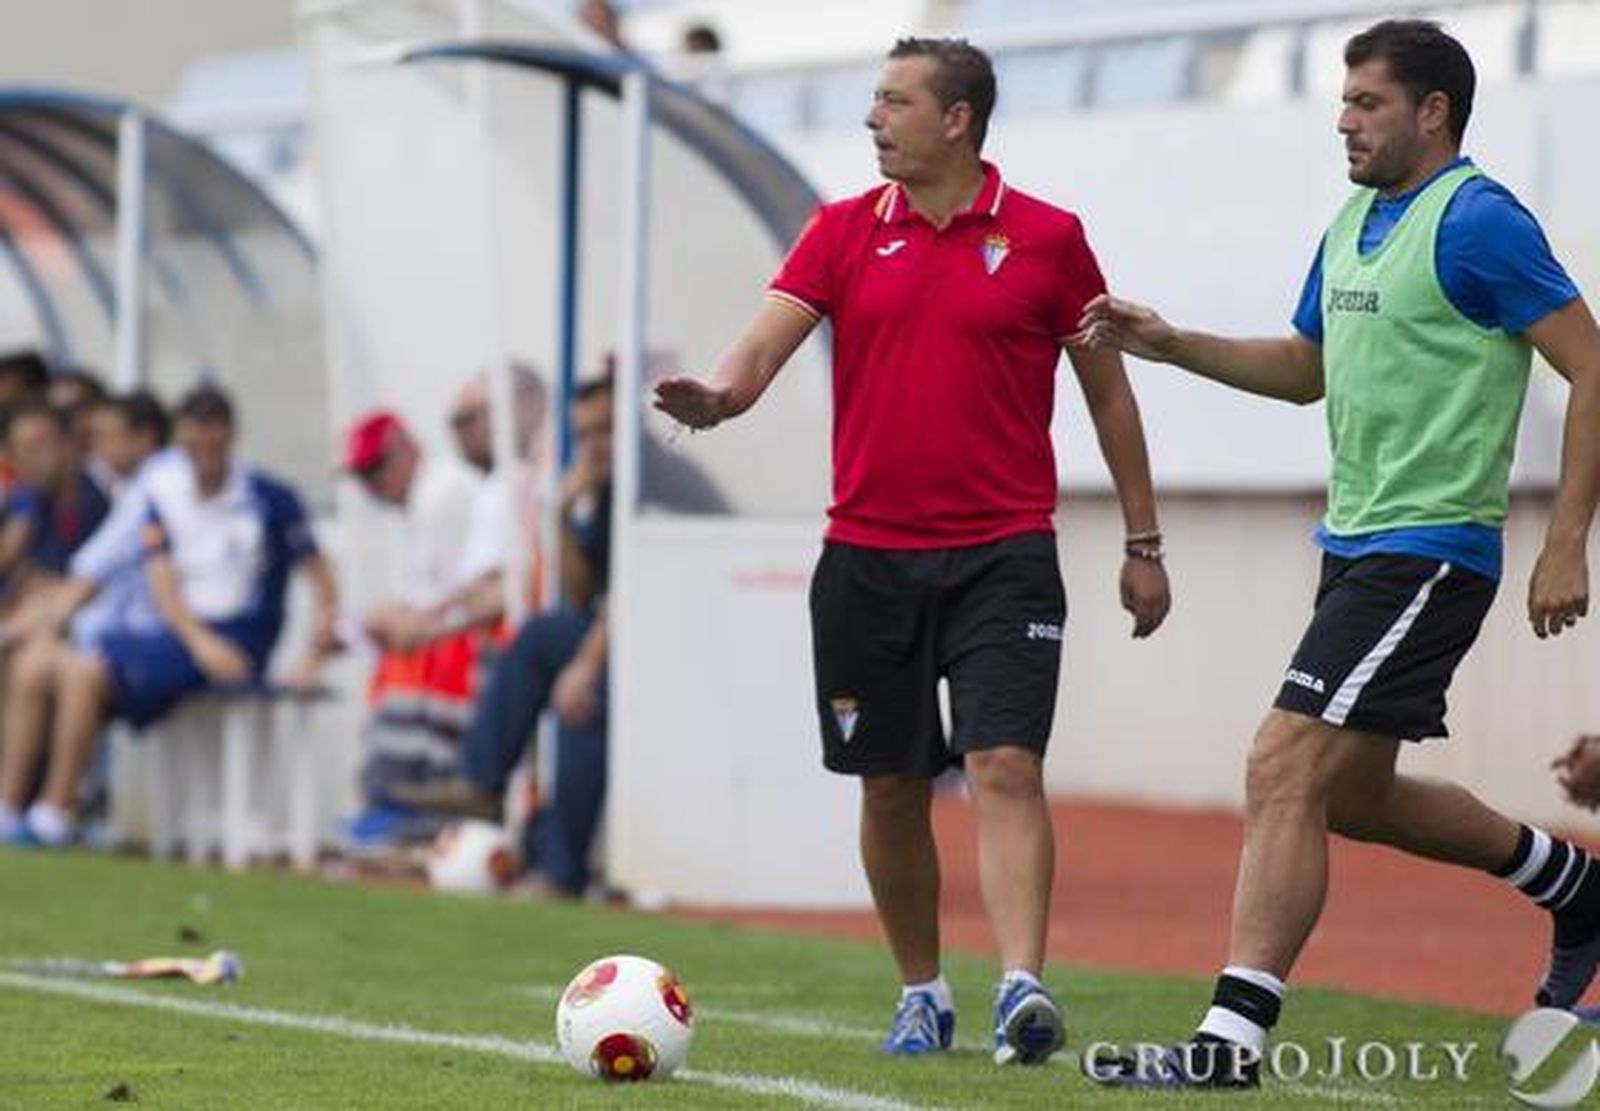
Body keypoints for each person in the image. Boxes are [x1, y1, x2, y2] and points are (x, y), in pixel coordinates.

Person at [1073, 19, 1600, 1090]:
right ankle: (1574, 888)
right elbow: (1305, 366)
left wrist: (1562, 541)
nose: (1344, 120)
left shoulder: (1480, 221)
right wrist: (1170, 343)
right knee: (1351, 795)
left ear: (1431, 111)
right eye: (1344, 101)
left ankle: (1227, 1043)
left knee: (1279, 764)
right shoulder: (1354, 218)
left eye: (1365, 102)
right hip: (1353, 546)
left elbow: (1592, 370)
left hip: (1431, 549)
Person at [654, 37, 1170, 1065]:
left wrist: (1143, 541)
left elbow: (1108, 393)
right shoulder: (840, 233)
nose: (872, 119)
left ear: (957, 119)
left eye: (893, 102)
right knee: (888, 783)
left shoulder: (1049, 238)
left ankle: (1022, 987)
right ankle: (922, 991)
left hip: (1005, 553)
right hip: (866, 561)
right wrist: (714, 401)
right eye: (873, 101)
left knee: (1003, 765)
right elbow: (757, 351)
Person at [0, 384, 339, 847]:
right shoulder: (167, 492)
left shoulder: (268, 496)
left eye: (210, 446)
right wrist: (199, 642)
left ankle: (53, 811)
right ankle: (26, 809)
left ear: (230, 436)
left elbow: (323, 582)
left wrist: (311, 660)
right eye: (190, 448)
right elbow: (161, 580)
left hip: (238, 641)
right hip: (185, 638)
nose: (200, 458)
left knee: (76, 669)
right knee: (56, 667)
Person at [393, 375, 616, 898]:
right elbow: (583, 595)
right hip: (611, 632)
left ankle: (561, 871)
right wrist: (559, 515)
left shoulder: (656, 488)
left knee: (583, 697)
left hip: (663, 640)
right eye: (584, 434)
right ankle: (481, 781)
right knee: (540, 637)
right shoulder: (598, 492)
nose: (594, 445)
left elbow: (636, 595)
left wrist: (584, 665)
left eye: (605, 430)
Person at [338, 409, 492, 845]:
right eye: (363, 475)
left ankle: (406, 805)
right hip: (449, 633)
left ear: (405, 450)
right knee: (394, 658)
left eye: (375, 469)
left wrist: (395, 621)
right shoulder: (416, 501)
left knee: (412, 660)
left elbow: (457, 599)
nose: (370, 485)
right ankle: (391, 800)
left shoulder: (439, 494)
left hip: (470, 641)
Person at [0, 401, 111, 604]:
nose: (26, 459)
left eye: (37, 447)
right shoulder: (23, 500)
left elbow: (91, 582)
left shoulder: (97, 503)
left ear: (69, 444)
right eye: (19, 450)